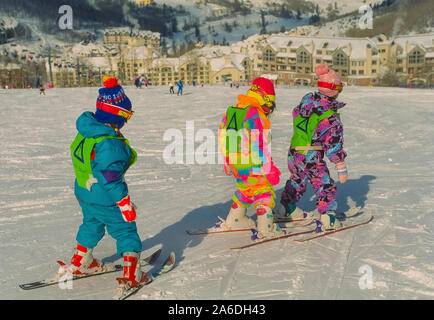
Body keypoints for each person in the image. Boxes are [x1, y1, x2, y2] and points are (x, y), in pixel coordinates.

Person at [66, 76, 149, 290]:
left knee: (91, 224)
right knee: (125, 230)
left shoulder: (87, 132)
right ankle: (132, 273)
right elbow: (110, 178)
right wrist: (124, 204)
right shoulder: (110, 143)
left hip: (85, 193)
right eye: (126, 118)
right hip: (106, 198)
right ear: (118, 116)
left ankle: (81, 261)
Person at [275, 64, 348, 232]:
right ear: (334, 90)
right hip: (311, 154)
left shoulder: (306, 102)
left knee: (297, 180)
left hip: (294, 152)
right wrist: (340, 164)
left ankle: (287, 208)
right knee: (324, 184)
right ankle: (328, 217)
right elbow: (333, 142)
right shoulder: (329, 117)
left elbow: (295, 113)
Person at [218, 77, 284, 240]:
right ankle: (265, 227)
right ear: (265, 99)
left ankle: (235, 219)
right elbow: (258, 144)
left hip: (236, 161)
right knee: (264, 191)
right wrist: (268, 168)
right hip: (253, 162)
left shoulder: (233, 109)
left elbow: (223, 135)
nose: (269, 111)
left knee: (246, 188)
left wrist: (227, 160)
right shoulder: (255, 114)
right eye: (269, 107)